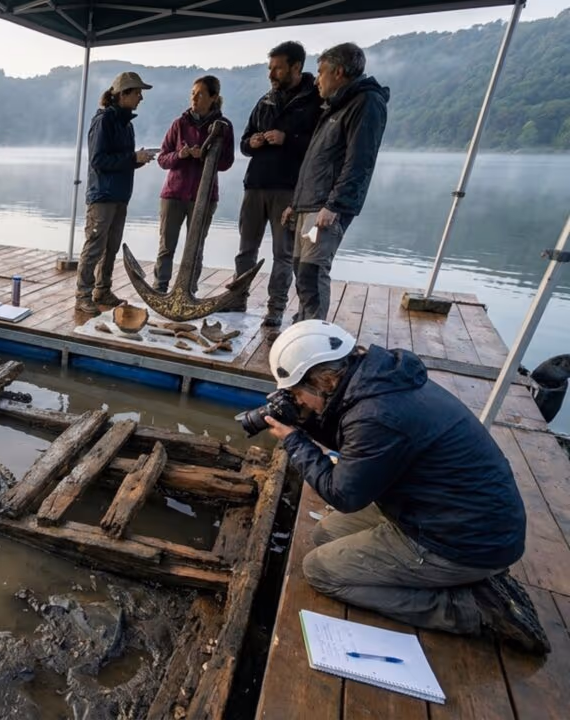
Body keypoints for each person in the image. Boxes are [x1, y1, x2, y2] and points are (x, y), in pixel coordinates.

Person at [262, 320, 550, 654]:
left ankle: (474, 610)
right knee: (325, 534)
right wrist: (304, 420)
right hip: (455, 515)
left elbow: (343, 494)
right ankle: (462, 580)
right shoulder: (378, 380)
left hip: (462, 541)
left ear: (324, 379)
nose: (299, 401)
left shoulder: (377, 414)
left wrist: (295, 442)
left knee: (321, 571)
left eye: (298, 394)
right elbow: (355, 444)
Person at [283, 43, 389, 322]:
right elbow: (315, 161)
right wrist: (295, 203)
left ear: (339, 72)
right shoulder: (335, 106)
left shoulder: (366, 103)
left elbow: (360, 161)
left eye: (321, 72)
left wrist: (335, 205)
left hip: (326, 209)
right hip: (309, 205)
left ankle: (313, 333)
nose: (316, 79)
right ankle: (304, 325)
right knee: (299, 267)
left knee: (312, 271)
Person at [233, 41, 322, 325]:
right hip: (255, 185)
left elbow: (320, 146)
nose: (271, 74)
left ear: (296, 67)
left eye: (277, 68)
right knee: (246, 249)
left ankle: (275, 308)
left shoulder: (315, 101)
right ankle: (236, 300)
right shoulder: (265, 101)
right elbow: (244, 144)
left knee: (282, 253)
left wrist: (288, 139)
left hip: (289, 190)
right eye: (269, 68)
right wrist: (253, 142)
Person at [75, 71, 155, 314]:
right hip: (102, 196)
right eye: (138, 92)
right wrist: (132, 157)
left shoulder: (126, 124)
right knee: (95, 246)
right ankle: (83, 295)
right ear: (123, 94)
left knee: (112, 246)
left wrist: (139, 159)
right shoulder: (104, 121)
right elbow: (98, 160)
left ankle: (103, 290)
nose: (141, 97)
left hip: (120, 195)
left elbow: (120, 160)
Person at [155, 75, 235, 295]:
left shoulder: (224, 127)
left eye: (200, 94)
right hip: (173, 194)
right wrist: (180, 155)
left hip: (205, 196)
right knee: (166, 247)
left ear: (213, 97)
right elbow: (162, 159)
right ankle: (160, 289)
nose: (194, 98)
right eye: (193, 93)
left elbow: (227, 162)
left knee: (196, 248)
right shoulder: (179, 124)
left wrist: (207, 156)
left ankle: (188, 291)